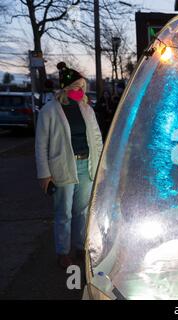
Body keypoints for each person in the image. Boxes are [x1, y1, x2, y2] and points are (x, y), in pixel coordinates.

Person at [35, 62, 104, 269]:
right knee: (63, 212)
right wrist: (44, 174)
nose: (80, 91)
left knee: (83, 211)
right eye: (77, 87)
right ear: (66, 88)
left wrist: (102, 165)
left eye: (82, 86)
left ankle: (81, 246)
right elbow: (41, 144)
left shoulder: (86, 109)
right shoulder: (49, 111)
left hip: (86, 165)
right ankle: (63, 252)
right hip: (62, 166)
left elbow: (97, 138)